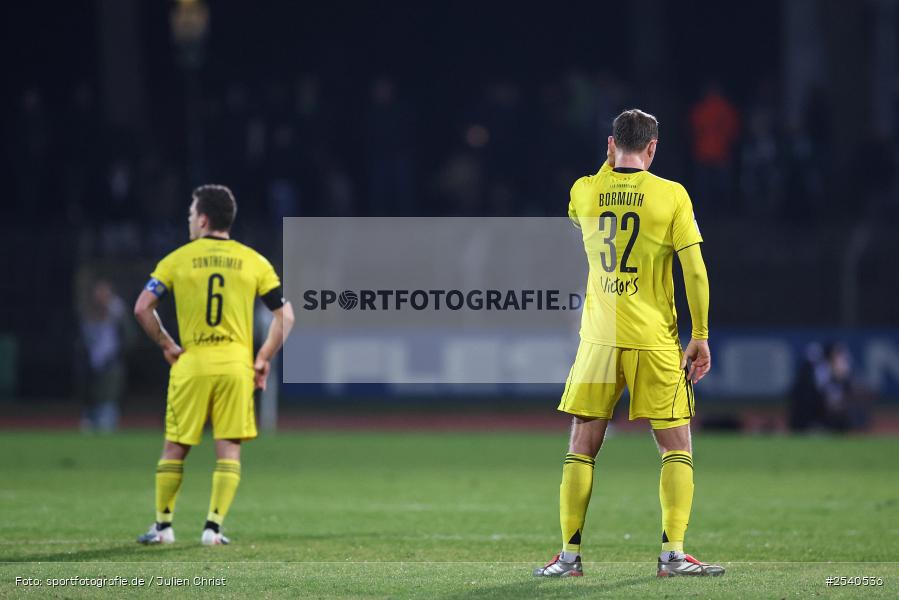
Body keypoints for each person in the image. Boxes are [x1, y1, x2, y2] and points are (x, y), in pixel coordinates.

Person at [534, 109, 724, 578]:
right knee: (676, 444)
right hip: (652, 338)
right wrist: (698, 335)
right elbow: (695, 272)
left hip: (599, 337)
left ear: (610, 144)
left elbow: (591, 206)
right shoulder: (671, 196)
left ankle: (569, 557)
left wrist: (608, 167)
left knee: (582, 444)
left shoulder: (584, 189)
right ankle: (673, 555)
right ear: (653, 148)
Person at [133, 185, 294, 545]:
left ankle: (163, 527)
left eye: (191, 215)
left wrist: (166, 343)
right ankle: (213, 528)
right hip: (236, 366)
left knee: (176, 445)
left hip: (192, 362)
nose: (189, 220)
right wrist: (262, 358)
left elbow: (143, 307)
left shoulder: (177, 260)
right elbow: (286, 317)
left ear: (203, 219)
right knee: (229, 447)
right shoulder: (254, 261)